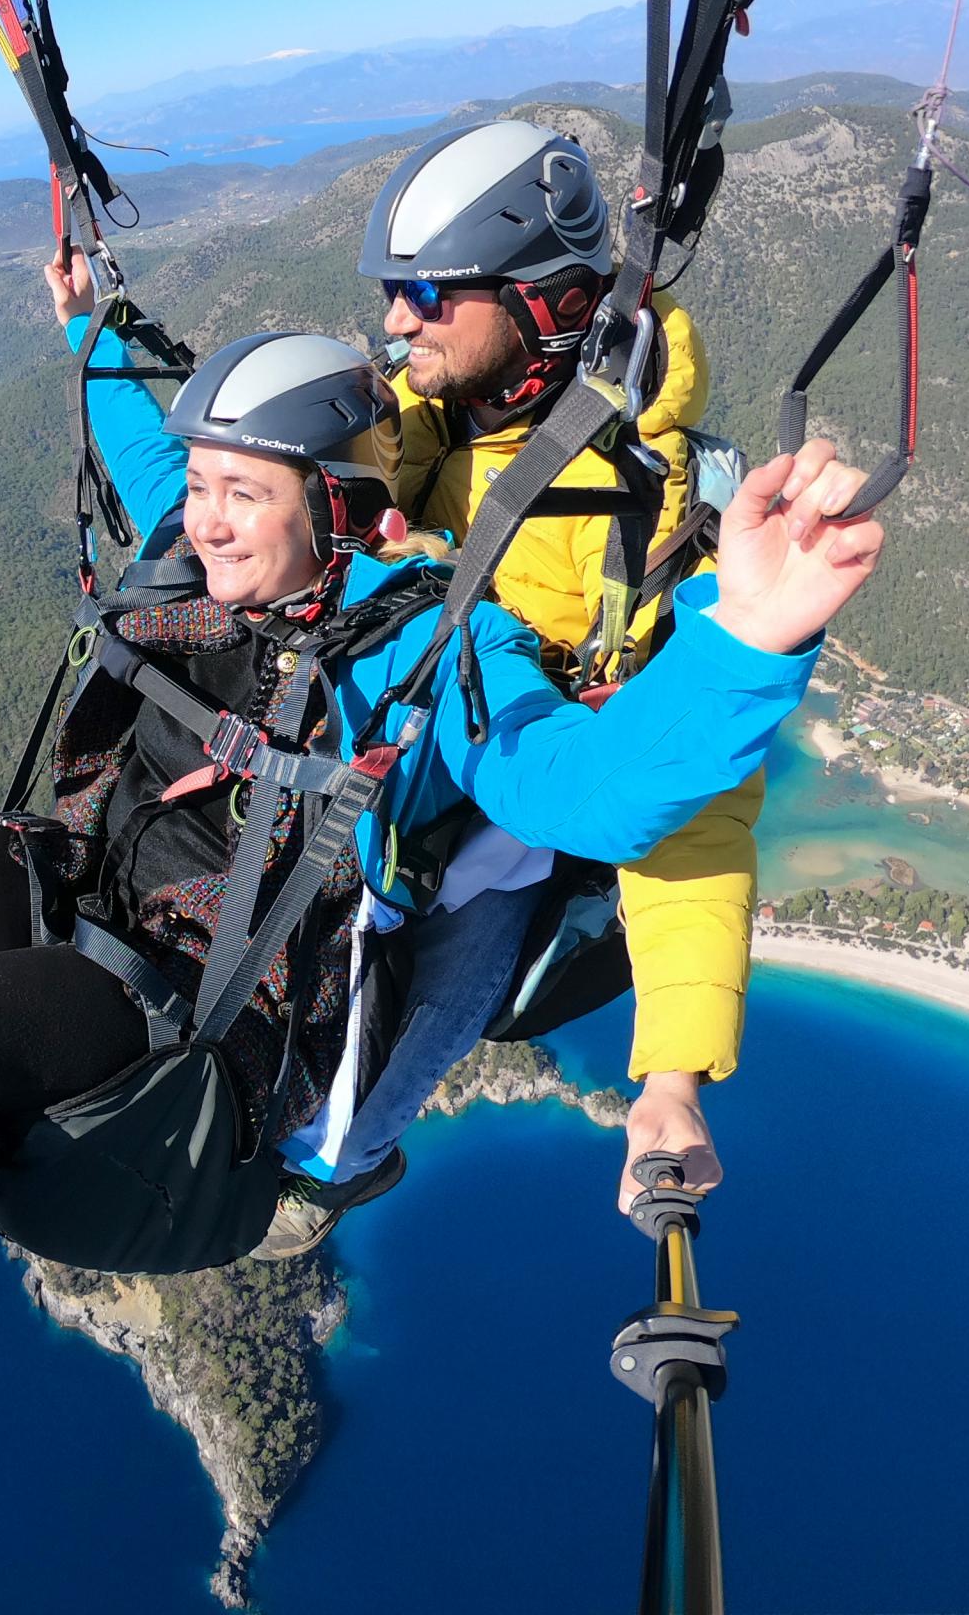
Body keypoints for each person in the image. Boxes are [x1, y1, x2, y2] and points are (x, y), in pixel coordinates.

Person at [0, 246, 883, 1510]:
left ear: (337, 509)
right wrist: (96, 326)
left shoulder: (429, 649)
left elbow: (590, 787)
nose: (206, 516)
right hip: (86, 875)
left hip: (203, 998)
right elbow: (141, 444)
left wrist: (750, 636)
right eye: (205, 487)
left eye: (243, 492)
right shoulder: (199, 562)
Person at [247, 119, 764, 1258]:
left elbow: (689, 794)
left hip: (491, 822)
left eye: (428, 292)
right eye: (394, 290)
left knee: (429, 978)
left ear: (543, 300)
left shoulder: (652, 523)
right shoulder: (396, 420)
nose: (395, 320)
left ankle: (344, 1159)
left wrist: (671, 1075)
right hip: (342, 768)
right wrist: (96, 322)